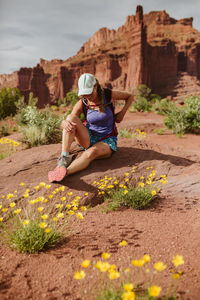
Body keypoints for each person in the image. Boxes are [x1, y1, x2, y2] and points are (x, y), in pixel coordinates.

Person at [48, 73, 134, 183]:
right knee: (70, 118)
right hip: (88, 137)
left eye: (89, 92)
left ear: (96, 87)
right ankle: (64, 157)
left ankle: (64, 172)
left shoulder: (107, 95)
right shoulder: (83, 102)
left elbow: (130, 96)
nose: (88, 96)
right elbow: (69, 120)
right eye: (84, 94)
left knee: (90, 153)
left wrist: (122, 113)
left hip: (107, 141)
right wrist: (64, 123)